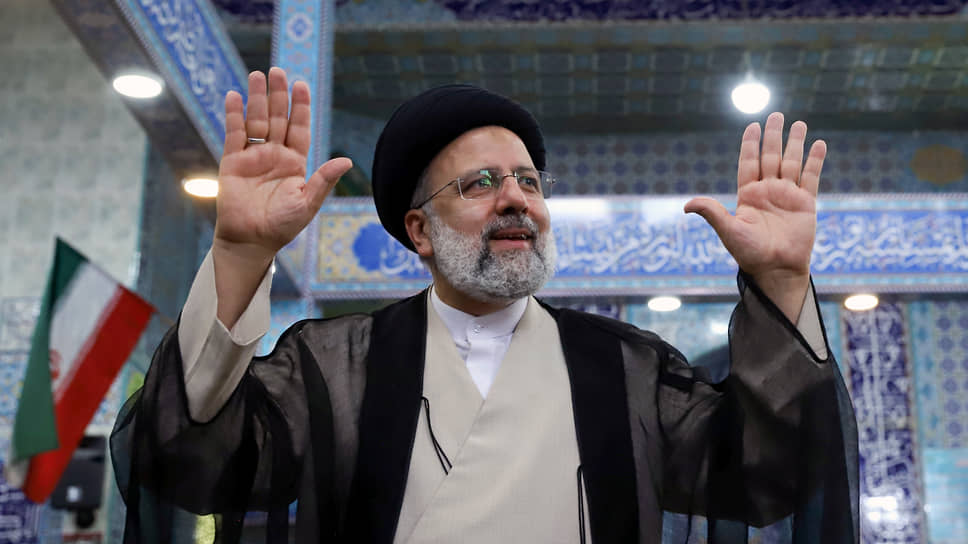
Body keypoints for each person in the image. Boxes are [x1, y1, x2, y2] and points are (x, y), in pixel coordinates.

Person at [111, 67, 858, 544]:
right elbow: (188, 457)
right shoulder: (333, 365)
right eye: (481, 184)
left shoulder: (623, 365)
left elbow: (768, 472)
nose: (516, 200)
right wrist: (242, 254)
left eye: (529, 182)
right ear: (420, 231)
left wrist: (781, 279)